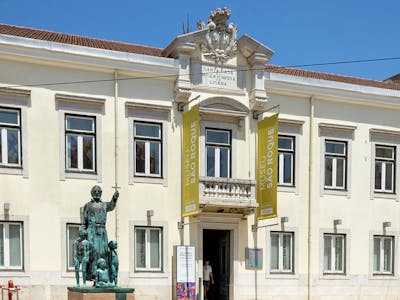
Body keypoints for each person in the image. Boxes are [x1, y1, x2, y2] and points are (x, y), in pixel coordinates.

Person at [83, 185, 119, 280]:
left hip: (102, 230)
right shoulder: (88, 205)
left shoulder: (104, 205)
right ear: (92, 193)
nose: (97, 193)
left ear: (101, 193)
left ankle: (104, 275)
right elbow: (84, 221)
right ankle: (93, 274)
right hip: (91, 230)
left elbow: (111, 206)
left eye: (99, 191)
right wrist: (83, 230)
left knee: (103, 252)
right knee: (93, 252)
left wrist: (114, 198)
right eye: (95, 191)